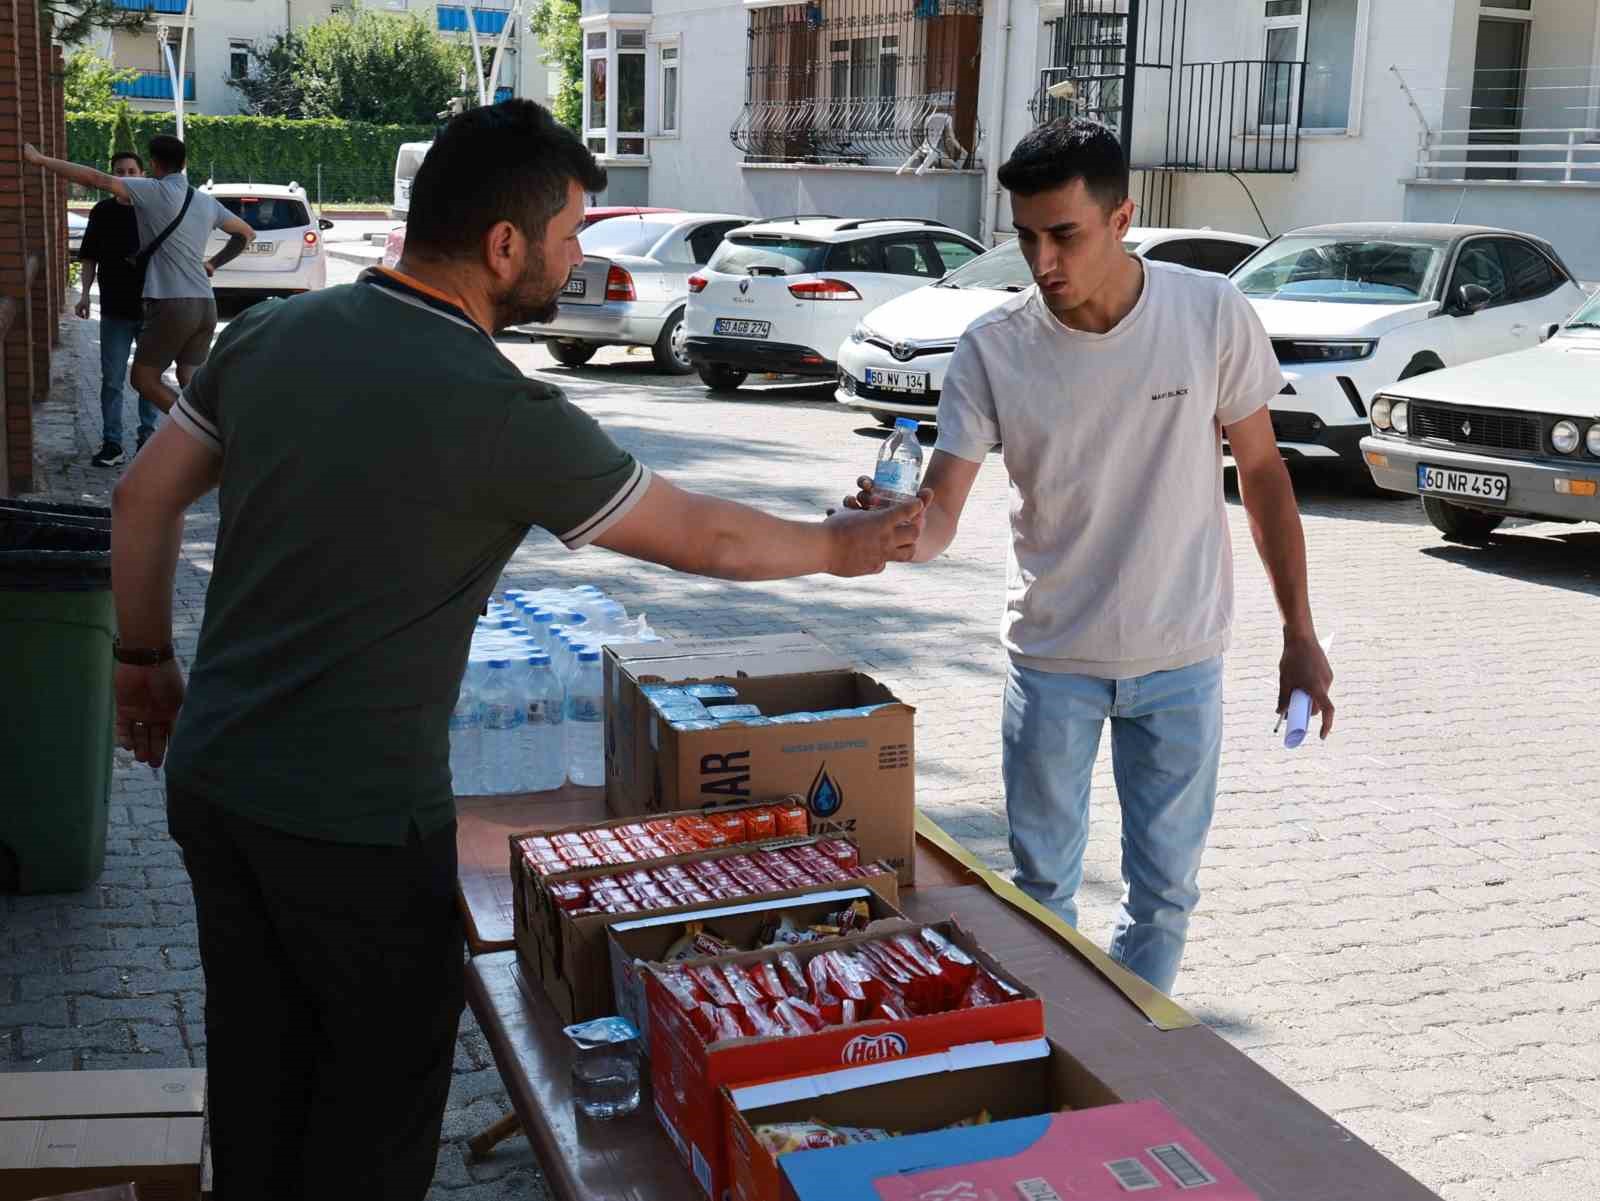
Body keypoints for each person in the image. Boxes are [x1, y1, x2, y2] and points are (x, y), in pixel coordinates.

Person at [106, 100, 927, 1200]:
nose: (577, 257)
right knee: (372, 1119)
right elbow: (706, 537)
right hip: (358, 823)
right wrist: (840, 547)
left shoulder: (269, 337)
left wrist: (144, 662)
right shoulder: (500, 407)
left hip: (218, 788)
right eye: (570, 233)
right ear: (504, 244)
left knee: (259, 1078)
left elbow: (141, 500)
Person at [845, 118, 1335, 996]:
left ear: (1121, 218)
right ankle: (1059, 1045)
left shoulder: (1209, 312)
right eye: (1025, 237)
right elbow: (944, 509)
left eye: (1064, 235)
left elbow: (1263, 473)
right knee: (1040, 896)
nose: (1042, 262)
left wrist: (1300, 632)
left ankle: (1129, 1052)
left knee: (1165, 897)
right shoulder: (994, 348)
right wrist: (903, 530)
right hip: (1052, 659)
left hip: (1181, 656)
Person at [24, 135, 255, 415]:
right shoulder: (205, 201)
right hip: (206, 304)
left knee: (144, 380)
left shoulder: (152, 190)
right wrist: (213, 264)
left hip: (171, 302)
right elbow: (246, 234)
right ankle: (216, 427)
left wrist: (40, 159)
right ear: (184, 163)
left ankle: (200, 429)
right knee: (189, 376)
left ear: (154, 164)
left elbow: (95, 179)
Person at [76, 150, 160, 468]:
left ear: (142, 175)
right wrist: (85, 295)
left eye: (131, 171)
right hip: (113, 310)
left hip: (152, 309)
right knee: (111, 380)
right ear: (111, 176)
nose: (125, 177)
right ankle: (112, 443)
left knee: (148, 380)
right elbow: (89, 257)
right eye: (119, 171)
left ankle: (148, 440)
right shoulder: (102, 212)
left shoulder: (154, 211)